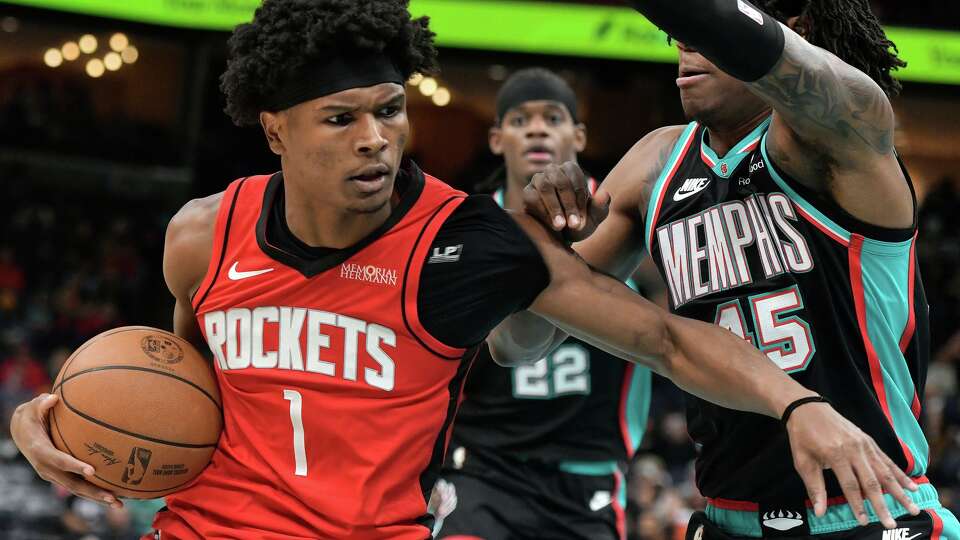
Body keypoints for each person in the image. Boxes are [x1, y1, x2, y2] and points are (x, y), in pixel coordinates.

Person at [9, 1, 918, 538]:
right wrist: (52, 418)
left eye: (391, 110)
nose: (375, 138)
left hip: (855, 491)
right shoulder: (201, 235)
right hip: (716, 510)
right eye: (341, 119)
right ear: (275, 127)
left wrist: (802, 404)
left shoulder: (848, 134)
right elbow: (174, 383)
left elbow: (666, 341)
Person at [510, 0, 959, 537]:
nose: (682, 42)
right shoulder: (655, 165)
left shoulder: (847, 131)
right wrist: (542, 241)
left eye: (699, 28)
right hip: (729, 519)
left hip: (871, 511)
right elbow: (518, 342)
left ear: (792, 30)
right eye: (678, 32)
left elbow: (725, 27)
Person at [436, 68, 651, 540]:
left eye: (552, 118)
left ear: (578, 135)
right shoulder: (461, 232)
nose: (536, 129)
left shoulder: (627, 216)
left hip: (586, 473)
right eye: (520, 120)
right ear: (496, 139)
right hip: (481, 468)